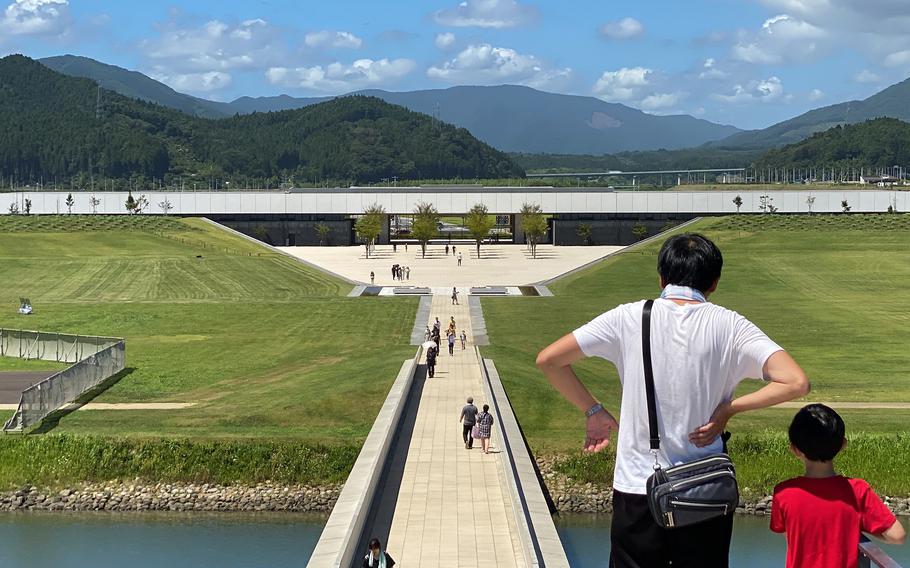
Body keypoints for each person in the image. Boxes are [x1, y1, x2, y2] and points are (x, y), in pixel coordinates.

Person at [536, 233, 810, 568]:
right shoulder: (732, 325)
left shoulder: (628, 317)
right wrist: (729, 409)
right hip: (705, 490)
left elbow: (549, 360)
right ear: (714, 282)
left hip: (638, 486)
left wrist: (594, 411)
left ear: (662, 277)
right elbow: (796, 382)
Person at [771, 404, 905, 568]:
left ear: (794, 449)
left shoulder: (784, 492)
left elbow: (789, 534)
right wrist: (856, 525)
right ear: (842, 445)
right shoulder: (857, 490)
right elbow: (897, 536)